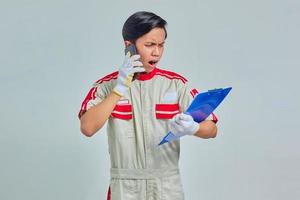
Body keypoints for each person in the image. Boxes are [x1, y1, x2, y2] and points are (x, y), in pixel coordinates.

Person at [78, 11, 218, 200]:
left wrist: (194, 127)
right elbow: (87, 127)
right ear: (129, 47)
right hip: (125, 187)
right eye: (150, 45)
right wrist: (118, 90)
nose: (157, 52)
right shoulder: (105, 86)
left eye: (161, 45)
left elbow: (212, 129)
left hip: (167, 186)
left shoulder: (176, 84)